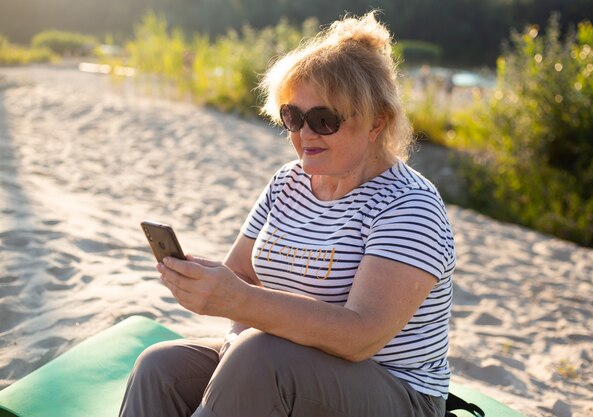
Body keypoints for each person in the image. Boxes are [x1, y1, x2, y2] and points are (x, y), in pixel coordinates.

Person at [119, 11, 455, 417]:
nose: (304, 134)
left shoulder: (409, 205)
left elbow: (361, 337)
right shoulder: (289, 182)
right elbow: (241, 273)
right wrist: (219, 298)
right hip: (279, 361)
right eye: (293, 117)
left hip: (396, 391)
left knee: (260, 357)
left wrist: (241, 304)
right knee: (160, 367)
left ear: (376, 122)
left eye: (323, 120)